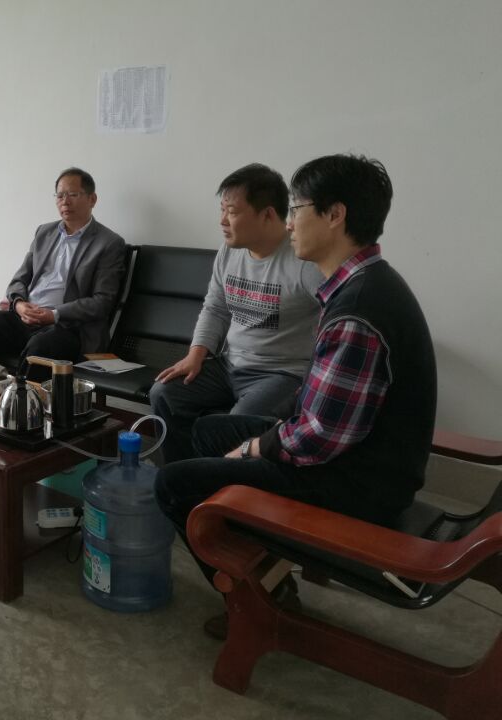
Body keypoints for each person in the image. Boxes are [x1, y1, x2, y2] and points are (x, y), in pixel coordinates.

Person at [154, 154, 437, 636]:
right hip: (351, 454)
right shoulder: (367, 283)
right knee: (208, 431)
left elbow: (318, 439)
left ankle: (254, 602)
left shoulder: (357, 312)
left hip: (355, 484)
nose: (289, 223)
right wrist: (252, 441)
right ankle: (245, 545)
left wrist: (255, 448)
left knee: (173, 484)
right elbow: (322, 423)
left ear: (335, 215)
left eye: (298, 209)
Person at [149, 164, 323, 463]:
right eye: (222, 210)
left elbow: (335, 317)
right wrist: (195, 355)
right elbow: (215, 307)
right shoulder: (229, 252)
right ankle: (185, 472)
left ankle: (223, 485)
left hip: (281, 374)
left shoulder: (304, 261)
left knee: (237, 422)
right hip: (230, 365)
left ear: (268, 214)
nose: (222, 221)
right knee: (164, 394)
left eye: (231, 211)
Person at [0, 167, 126, 379]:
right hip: (24, 318)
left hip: (66, 326)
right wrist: (19, 304)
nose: (65, 202)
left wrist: (54, 314)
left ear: (92, 199)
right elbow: (19, 280)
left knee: (41, 348)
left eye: (73, 194)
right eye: (60, 196)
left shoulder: (108, 243)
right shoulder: (45, 232)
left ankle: (21, 398)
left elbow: (102, 302)